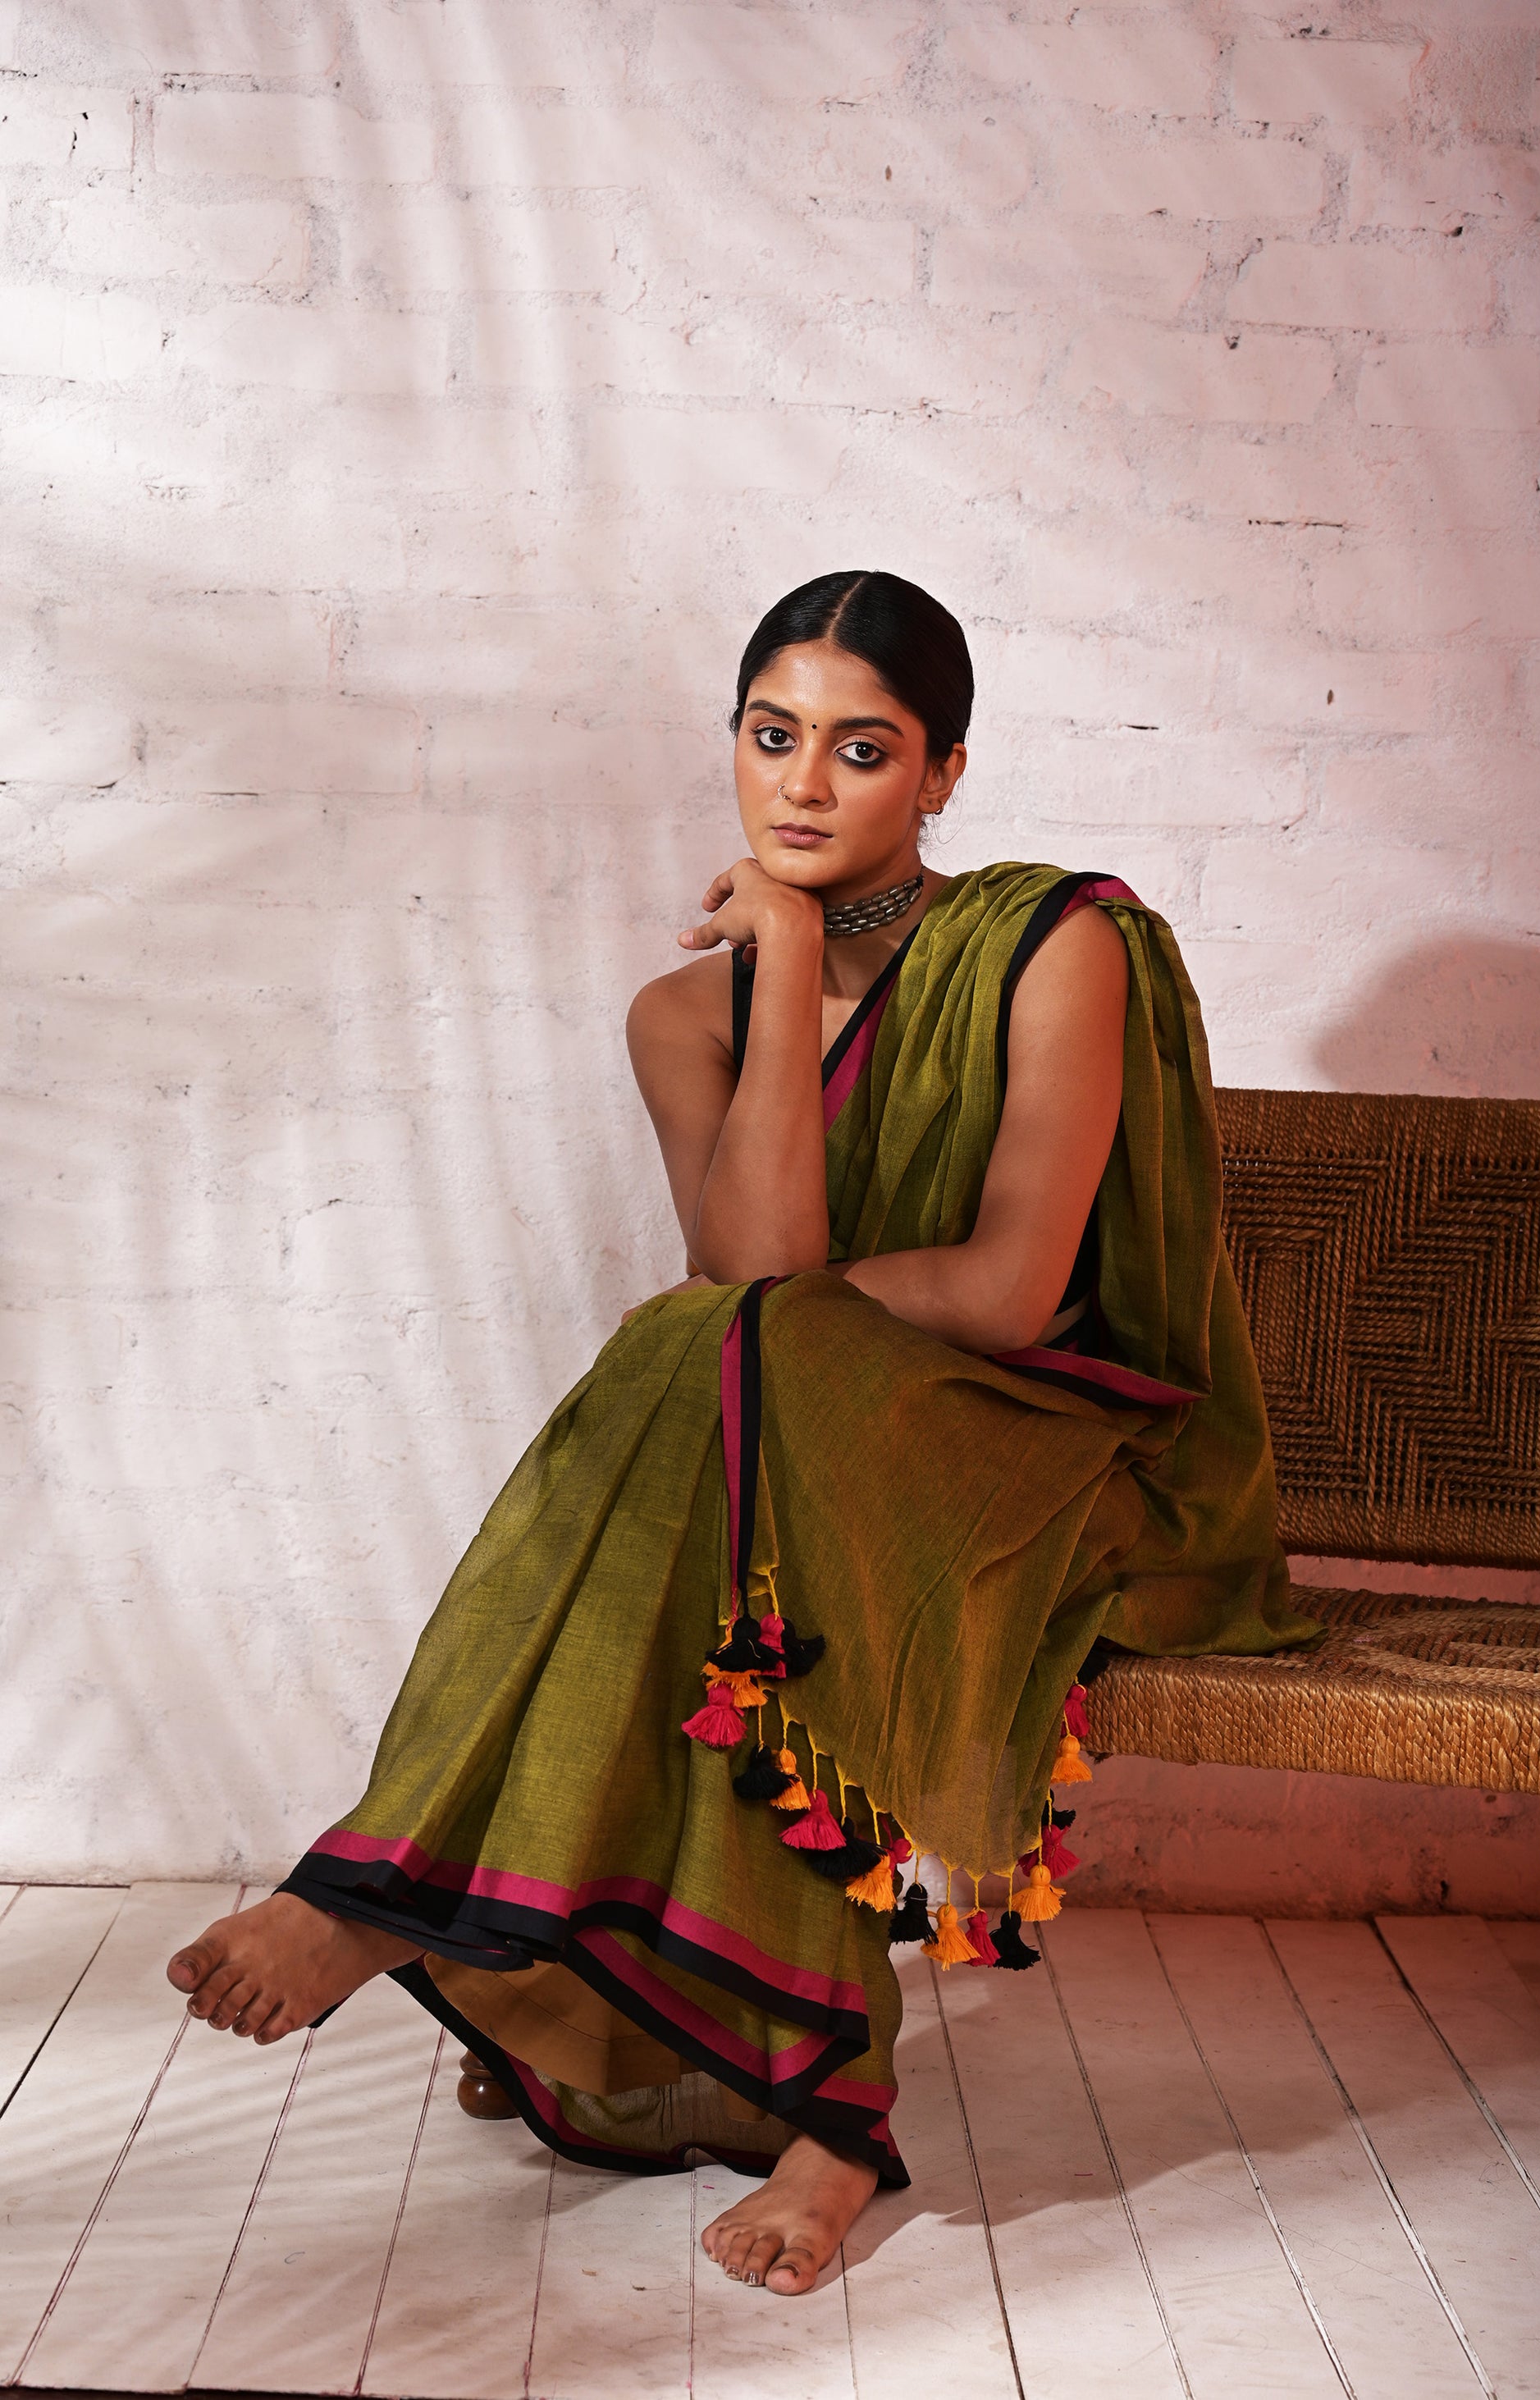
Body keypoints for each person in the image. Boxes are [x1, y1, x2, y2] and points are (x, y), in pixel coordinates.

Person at [167, 570, 1314, 2296]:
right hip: (795, 1429)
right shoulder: (679, 1015)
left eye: (863, 748)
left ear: (941, 771)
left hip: (1049, 1448)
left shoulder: (1054, 943)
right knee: (726, 1390)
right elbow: (754, 1274)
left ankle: (384, 1884)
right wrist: (779, 975)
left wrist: (789, 1293)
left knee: (712, 1345)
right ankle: (824, 2113)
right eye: (773, 737)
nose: (803, 784)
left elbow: (1007, 1292)